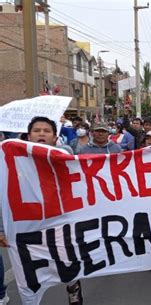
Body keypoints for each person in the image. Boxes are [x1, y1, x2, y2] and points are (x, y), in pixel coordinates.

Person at [0, 116, 80, 305]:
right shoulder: (11, 160)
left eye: (46, 131)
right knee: (27, 272)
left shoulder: (64, 153)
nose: (41, 134)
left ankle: (73, 287)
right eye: (36, 131)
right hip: (25, 226)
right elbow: (3, 196)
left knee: (67, 262)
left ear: (54, 137)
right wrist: (2, 229)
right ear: (28, 136)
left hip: (60, 221)